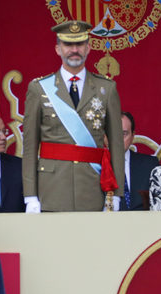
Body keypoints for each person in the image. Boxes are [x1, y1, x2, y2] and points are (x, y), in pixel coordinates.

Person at [22, 20, 124, 212]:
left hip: (93, 188)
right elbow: (30, 147)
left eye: (79, 44)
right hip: (52, 188)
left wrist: (116, 195)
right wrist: (30, 196)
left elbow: (117, 146)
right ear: (58, 49)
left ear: (88, 48)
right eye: (68, 44)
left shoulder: (107, 89)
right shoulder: (39, 89)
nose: (74, 50)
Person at [119, 111, 159, 211]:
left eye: (124, 133)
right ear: (105, 136)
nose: (118, 139)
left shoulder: (150, 165)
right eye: (114, 133)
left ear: (133, 136)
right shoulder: (95, 166)